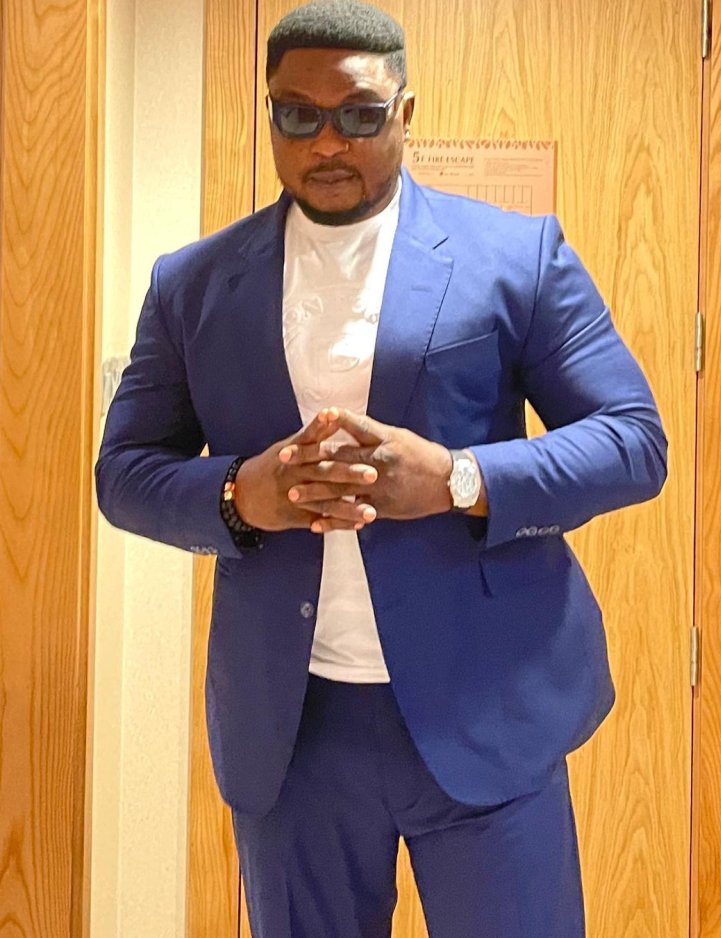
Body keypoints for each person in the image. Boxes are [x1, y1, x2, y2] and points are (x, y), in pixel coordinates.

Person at [95, 1, 668, 935]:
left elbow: (633, 440)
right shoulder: (192, 283)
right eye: (298, 114)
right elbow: (123, 473)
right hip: (293, 730)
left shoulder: (515, 257)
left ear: (405, 113)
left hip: (487, 704)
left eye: (359, 114)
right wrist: (242, 496)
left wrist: (458, 479)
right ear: (269, 113)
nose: (328, 141)